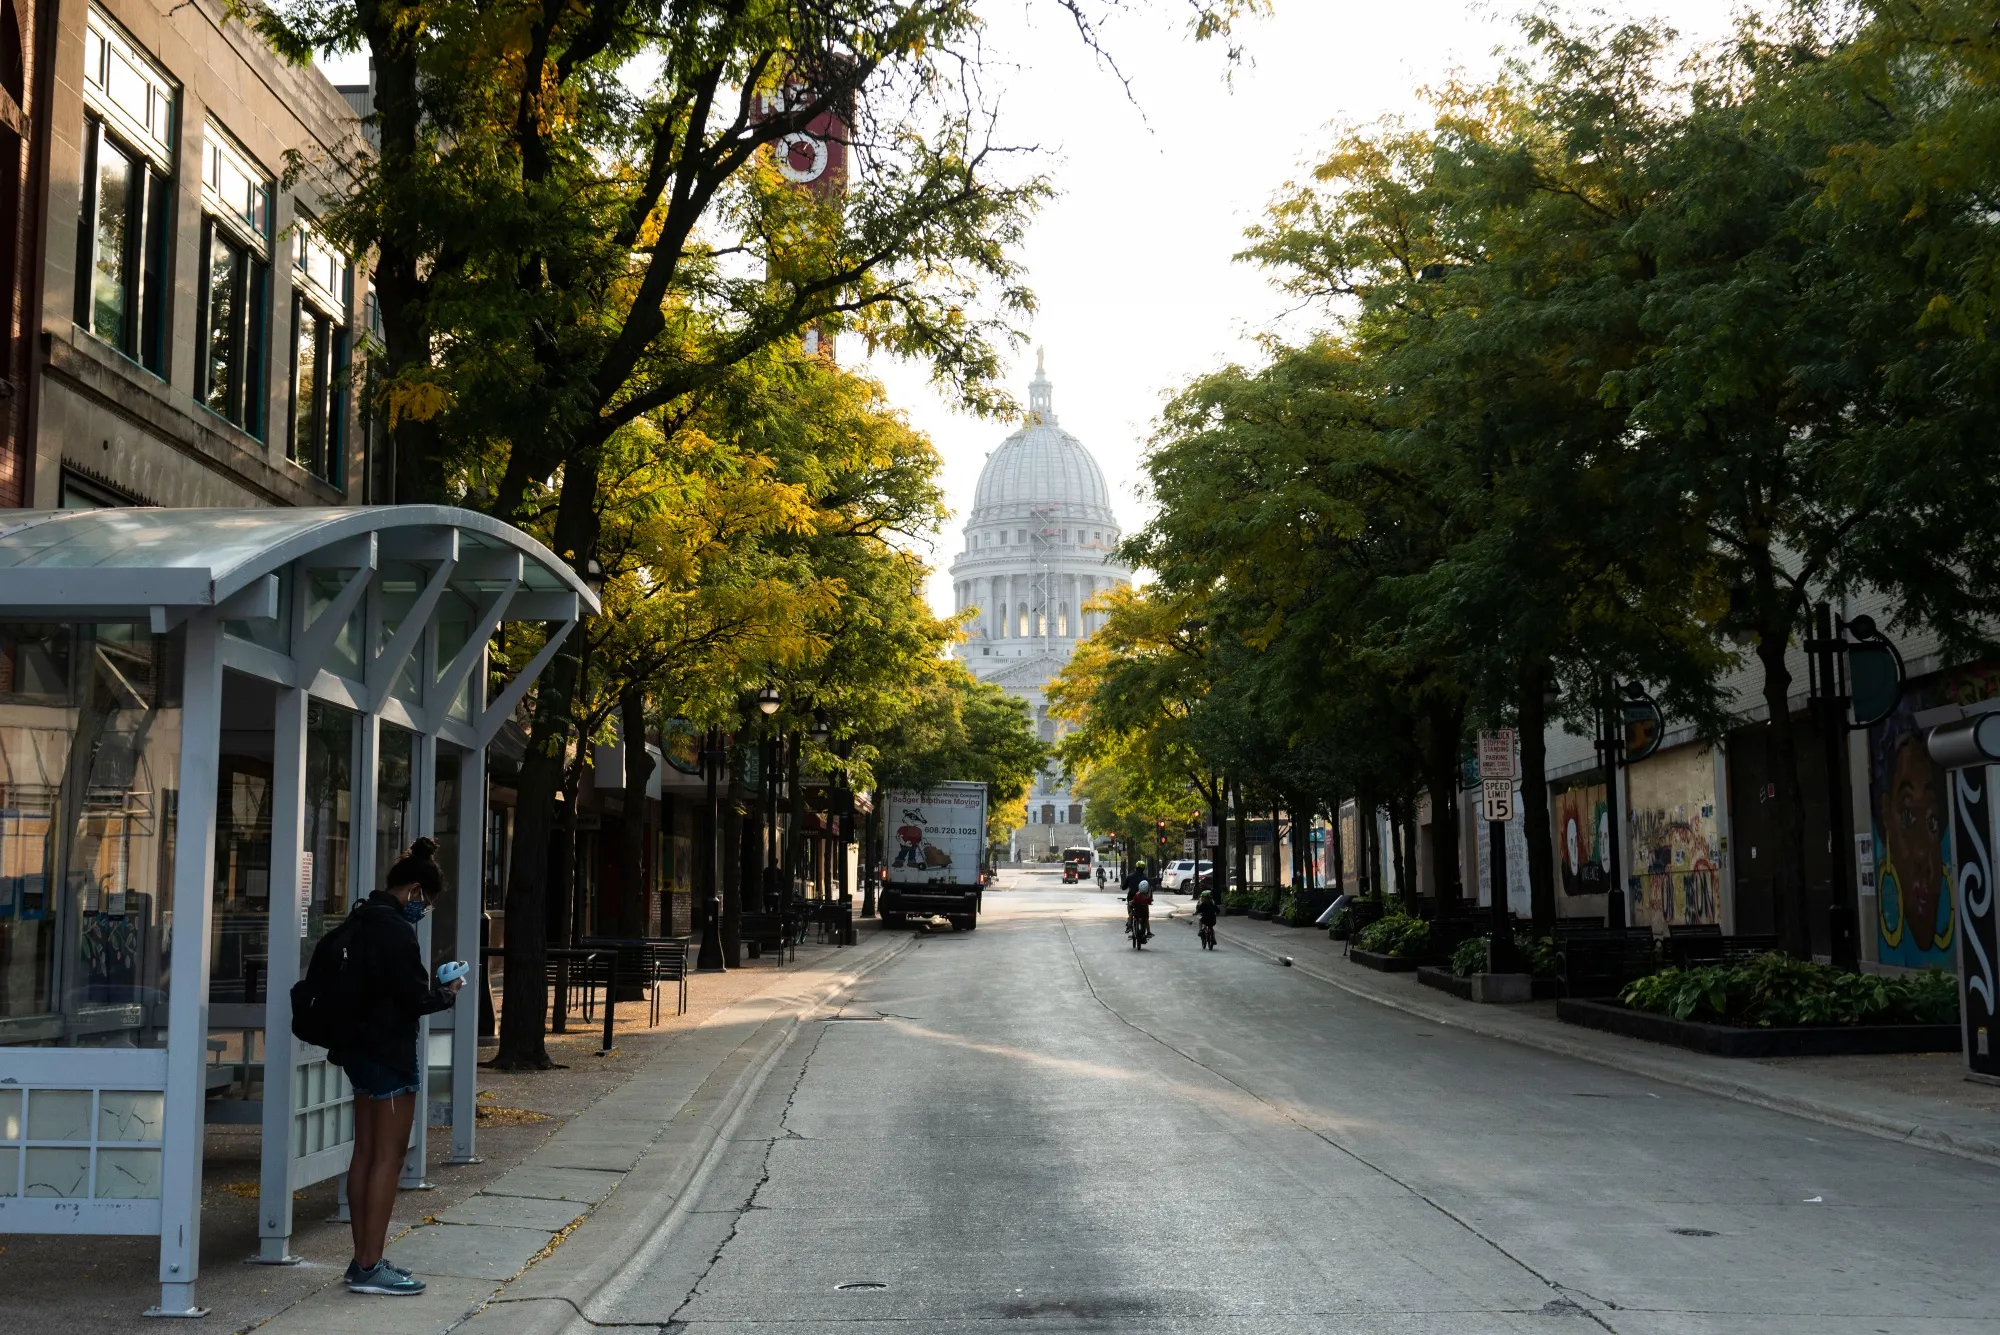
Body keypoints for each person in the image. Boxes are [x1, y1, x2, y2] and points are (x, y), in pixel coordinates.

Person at [331, 838, 461, 1296]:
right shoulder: (397, 931)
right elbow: (413, 997)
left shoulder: (363, 916)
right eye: (425, 901)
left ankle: (361, 1259)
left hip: (359, 1052)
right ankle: (370, 1264)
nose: (424, 909)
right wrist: (447, 993)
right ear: (414, 889)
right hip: (390, 1053)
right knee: (389, 1157)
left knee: (364, 1154)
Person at [1124, 877, 1153, 943]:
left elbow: (1133, 901)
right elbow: (1150, 901)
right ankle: (1148, 932)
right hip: (1144, 913)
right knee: (1146, 920)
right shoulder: (1147, 897)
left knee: (1131, 914)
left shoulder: (1137, 895)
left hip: (1137, 912)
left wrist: (1130, 903)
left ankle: (1129, 926)